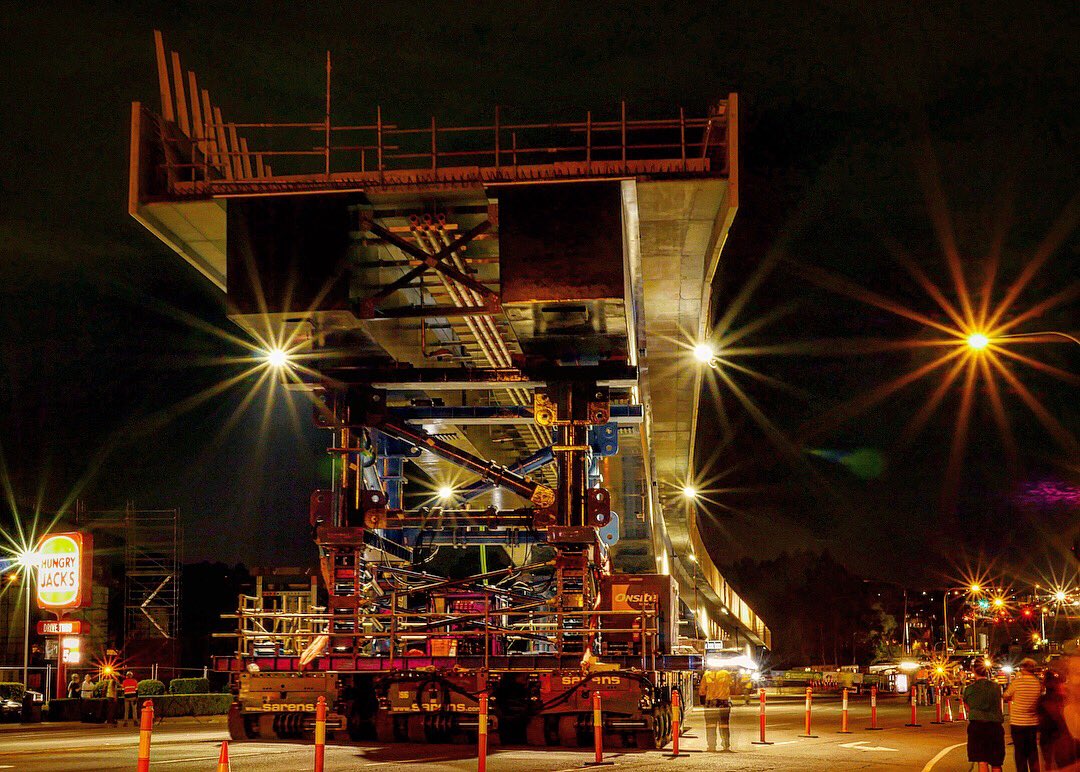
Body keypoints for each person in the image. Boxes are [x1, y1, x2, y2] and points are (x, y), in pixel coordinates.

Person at [963, 659, 1006, 772]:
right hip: (995, 726)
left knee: (982, 760)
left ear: (973, 671)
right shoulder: (996, 687)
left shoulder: (969, 689)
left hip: (977, 727)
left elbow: (967, 707)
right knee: (996, 762)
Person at [1004, 658, 1043, 772]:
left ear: (1022, 668)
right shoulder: (1037, 683)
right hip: (1032, 722)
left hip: (1018, 722)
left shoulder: (1017, 682)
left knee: (1020, 753)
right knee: (1032, 751)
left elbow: (1006, 695)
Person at [1037, 669, 1077, 770]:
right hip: (1060, 734)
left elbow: (1039, 716)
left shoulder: (1043, 700)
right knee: (1062, 762)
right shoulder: (1062, 698)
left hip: (1048, 733)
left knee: (1048, 760)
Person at [698, 667, 733, 752]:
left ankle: (711, 746)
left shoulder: (707, 675)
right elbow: (732, 685)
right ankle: (726, 745)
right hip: (723, 702)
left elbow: (702, 691)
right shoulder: (726, 674)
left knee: (710, 725)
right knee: (724, 725)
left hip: (710, 703)